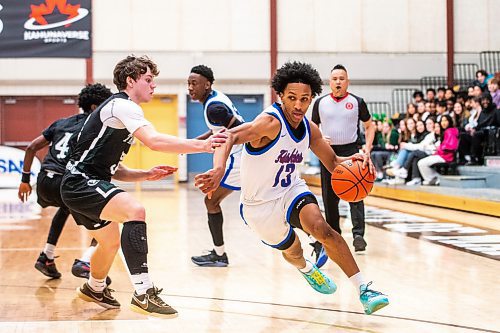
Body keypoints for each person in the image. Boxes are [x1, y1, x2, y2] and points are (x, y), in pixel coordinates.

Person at [195, 61, 389, 315]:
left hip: (290, 190)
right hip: (259, 206)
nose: (298, 105)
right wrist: (219, 169)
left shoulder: (310, 129)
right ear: (281, 95)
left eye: (305, 99)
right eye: (292, 98)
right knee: (294, 251)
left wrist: (355, 161)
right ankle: (307, 269)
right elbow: (229, 136)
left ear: (311, 99)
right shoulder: (269, 122)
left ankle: (365, 289)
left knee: (323, 229)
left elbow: (333, 163)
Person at [60, 55, 227, 317]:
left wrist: (146, 174)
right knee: (135, 211)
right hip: (80, 183)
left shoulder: (118, 110)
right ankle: (143, 292)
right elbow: (154, 141)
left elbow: (114, 169)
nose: (153, 86)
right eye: (148, 79)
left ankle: (94, 287)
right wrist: (203, 145)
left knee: (110, 243)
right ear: (130, 80)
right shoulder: (122, 105)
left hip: (79, 183)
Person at [18, 83, 113, 280]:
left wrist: (25, 180)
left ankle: (47, 256)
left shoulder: (61, 122)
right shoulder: (94, 128)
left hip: (44, 181)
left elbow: (31, 147)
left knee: (65, 207)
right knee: (108, 215)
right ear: (95, 108)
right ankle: (87, 261)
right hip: (66, 181)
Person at [310, 64, 375, 262]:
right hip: (328, 152)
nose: (338, 81)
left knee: (356, 193)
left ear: (348, 81)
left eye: (342, 78)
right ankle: (333, 234)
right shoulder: (320, 103)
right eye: (335, 78)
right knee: (329, 197)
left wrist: (367, 149)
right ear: (329, 82)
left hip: (352, 151)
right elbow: (312, 127)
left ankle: (358, 235)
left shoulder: (357, 102)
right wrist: (320, 138)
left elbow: (370, 126)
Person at [187, 65, 244, 267]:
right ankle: (219, 254)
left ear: (207, 84)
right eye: (188, 84)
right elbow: (217, 131)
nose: (190, 88)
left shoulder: (214, 108)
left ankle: (220, 255)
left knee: (211, 201)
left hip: (239, 159)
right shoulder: (215, 99)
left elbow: (239, 131)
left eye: (195, 83)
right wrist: (192, 144)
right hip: (240, 157)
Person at [417, 114, 459, 185]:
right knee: (421, 162)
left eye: (445, 120)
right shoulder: (446, 131)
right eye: (442, 121)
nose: (443, 123)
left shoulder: (450, 131)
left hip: (446, 156)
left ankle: (435, 178)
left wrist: (440, 148)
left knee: (421, 163)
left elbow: (451, 146)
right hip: (442, 154)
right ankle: (435, 178)